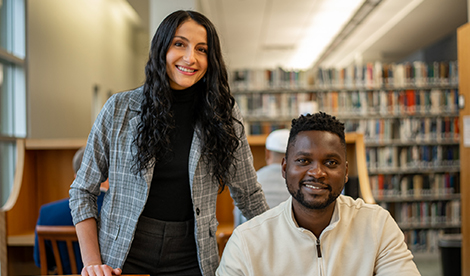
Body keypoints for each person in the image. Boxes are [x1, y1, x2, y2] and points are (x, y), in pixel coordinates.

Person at [69, 10, 269, 276]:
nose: (190, 58)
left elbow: (249, 195)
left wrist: (284, 240)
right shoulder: (119, 109)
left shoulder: (224, 116)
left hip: (193, 255)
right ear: (161, 48)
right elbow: (83, 190)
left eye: (202, 49)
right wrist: (92, 263)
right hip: (122, 254)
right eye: (179, 44)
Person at [216, 112, 421, 276]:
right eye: (304, 161)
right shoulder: (247, 240)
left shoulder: (377, 225)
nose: (317, 173)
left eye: (331, 163)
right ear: (285, 168)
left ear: (346, 172)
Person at [34, 146, 107, 274]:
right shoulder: (118, 214)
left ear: (76, 178)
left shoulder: (47, 213)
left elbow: (41, 261)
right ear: (107, 175)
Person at [234, 129, 291, 226]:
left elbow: (238, 224)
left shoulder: (251, 180)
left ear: (267, 153)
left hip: (252, 239)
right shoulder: (301, 183)